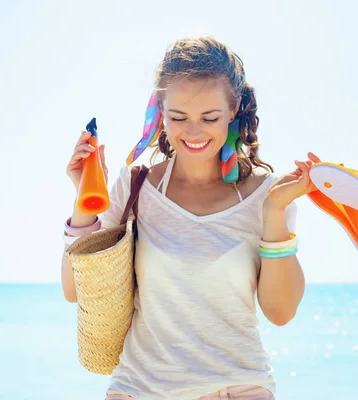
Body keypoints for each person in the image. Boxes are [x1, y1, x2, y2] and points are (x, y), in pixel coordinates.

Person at [61, 35, 320, 400]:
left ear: (234, 109)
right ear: (159, 113)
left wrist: (274, 213)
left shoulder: (268, 195)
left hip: (238, 389)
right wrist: (84, 203)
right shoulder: (134, 188)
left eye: (209, 117)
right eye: (178, 117)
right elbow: (76, 291)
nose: (194, 132)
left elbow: (280, 312)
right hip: (137, 391)